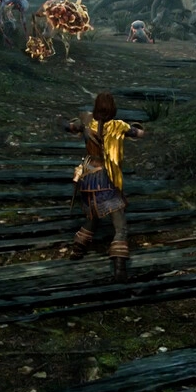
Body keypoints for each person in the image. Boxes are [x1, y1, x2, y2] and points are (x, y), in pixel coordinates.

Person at [65, 92, 146, 283]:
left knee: (93, 216)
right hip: (106, 180)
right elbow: (138, 133)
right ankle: (119, 269)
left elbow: (70, 127)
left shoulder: (86, 122)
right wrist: (139, 129)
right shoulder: (118, 126)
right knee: (120, 226)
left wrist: (71, 124)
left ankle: (77, 249)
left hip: (88, 179)